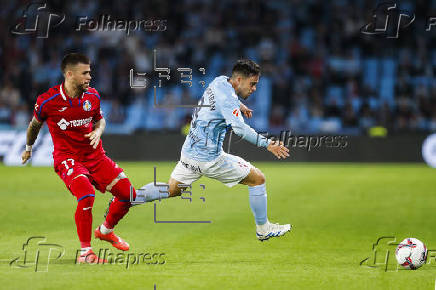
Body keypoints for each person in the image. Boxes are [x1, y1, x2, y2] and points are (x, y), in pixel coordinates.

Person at [136, 59, 291, 241]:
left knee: (171, 189)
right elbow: (240, 129)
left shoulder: (219, 81)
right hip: (210, 159)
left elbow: (223, 101)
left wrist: (239, 106)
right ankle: (263, 229)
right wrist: (268, 144)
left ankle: (128, 197)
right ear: (239, 80)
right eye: (253, 84)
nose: (254, 88)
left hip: (189, 152)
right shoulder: (228, 100)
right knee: (258, 179)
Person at [21, 53, 136, 263]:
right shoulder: (48, 100)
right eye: (85, 73)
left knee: (128, 194)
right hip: (67, 158)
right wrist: (29, 147)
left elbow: (100, 121)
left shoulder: (92, 96)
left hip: (95, 156)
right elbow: (34, 126)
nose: (89, 77)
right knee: (86, 194)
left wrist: (98, 131)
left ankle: (105, 230)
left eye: (90, 72)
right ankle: (86, 253)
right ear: (69, 74)